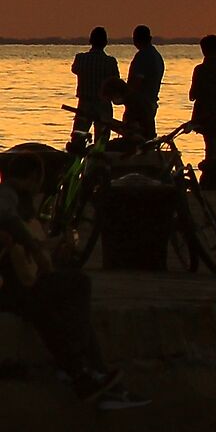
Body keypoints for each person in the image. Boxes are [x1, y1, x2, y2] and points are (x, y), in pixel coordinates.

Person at [0, 149, 144, 408]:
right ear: (32, 177)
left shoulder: (25, 208)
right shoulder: (7, 194)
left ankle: (93, 374)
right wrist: (34, 248)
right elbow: (6, 219)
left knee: (62, 300)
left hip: (19, 284)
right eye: (39, 181)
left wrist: (52, 252)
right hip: (9, 289)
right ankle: (83, 371)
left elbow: (28, 262)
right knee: (69, 292)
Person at [69, 28, 122, 151]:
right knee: (101, 143)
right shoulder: (110, 62)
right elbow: (115, 81)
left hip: (84, 104)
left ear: (90, 41)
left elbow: (75, 69)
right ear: (105, 42)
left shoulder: (80, 59)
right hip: (103, 105)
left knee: (78, 140)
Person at [122, 26, 165, 145]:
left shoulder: (143, 56)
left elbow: (136, 82)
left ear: (135, 40)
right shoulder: (156, 56)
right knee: (147, 138)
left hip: (140, 106)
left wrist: (125, 96)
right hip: (150, 103)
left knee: (134, 139)